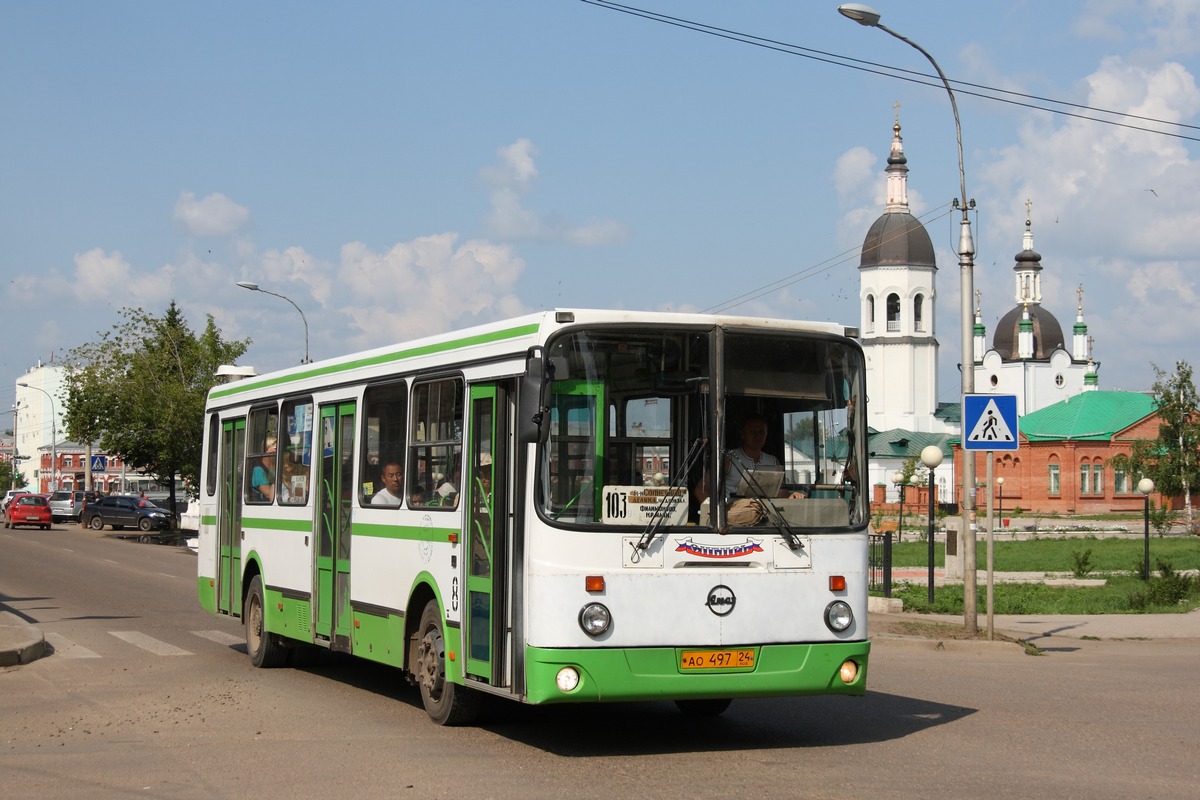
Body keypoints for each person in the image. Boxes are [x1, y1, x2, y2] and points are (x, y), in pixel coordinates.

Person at [694, 416, 803, 504]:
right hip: (734, 520)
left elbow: (779, 492)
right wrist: (714, 514)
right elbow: (700, 490)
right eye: (753, 431)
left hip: (769, 521)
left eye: (761, 432)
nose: (757, 436)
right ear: (742, 434)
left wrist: (791, 496)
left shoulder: (773, 461)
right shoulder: (728, 458)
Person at [251, 438, 277, 502]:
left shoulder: (276, 467)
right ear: (267, 450)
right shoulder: (258, 470)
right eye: (275, 449)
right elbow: (268, 493)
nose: (278, 451)